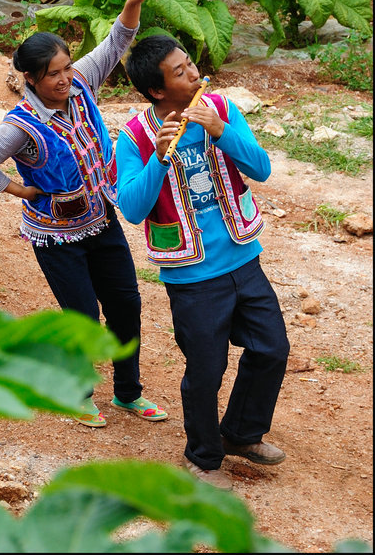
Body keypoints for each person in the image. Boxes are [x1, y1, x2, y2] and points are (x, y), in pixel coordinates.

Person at [0, 0, 172, 429]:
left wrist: (132, 4)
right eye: (52, 74)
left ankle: (128, 393)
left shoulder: (82, 87)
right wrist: (17, 189)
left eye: (67, 67)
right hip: (56, 236)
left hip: (101, 219)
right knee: (81, 316)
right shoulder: (20, 125)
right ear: (32, 80)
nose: (64, 79)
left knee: (126, 304)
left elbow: (117, 42)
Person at [117, 34, 282, 488]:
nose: (193, 74)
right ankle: (203, 458)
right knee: (206, 370)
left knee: (272, 348)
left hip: (243, 258)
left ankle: (242, 434)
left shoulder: (222, 110)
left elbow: (262, 168)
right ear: (156, 90)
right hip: (191, 276)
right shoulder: (134, 138)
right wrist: (160, 158)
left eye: (190, 65)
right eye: (180, 71)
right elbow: (131, 209)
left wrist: (219, 131)